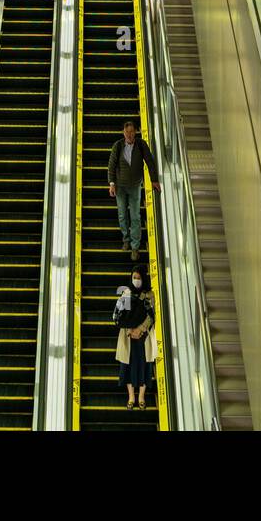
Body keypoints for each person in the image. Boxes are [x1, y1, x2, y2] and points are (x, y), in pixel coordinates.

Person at [108, 119, 160, 259]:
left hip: (135, 186)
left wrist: (154, 179)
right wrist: (112, 183)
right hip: (120, 187)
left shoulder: (141, 145)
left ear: (136, 132)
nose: (129, 134)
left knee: (135, 216)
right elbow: (112, 165)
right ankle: (126, 240)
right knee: (122, 215)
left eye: (131, 132)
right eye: (127, 132)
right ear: (123, 133)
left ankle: (135, 247)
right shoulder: (118, 146)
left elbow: (150, 161)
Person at [114, 266, 157, 411]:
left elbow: (152, 316)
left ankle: (141, 397)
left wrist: (140, 329)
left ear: (144, 278)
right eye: (134, 277)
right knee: (128, 366)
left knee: (145, 365)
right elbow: (121, 315)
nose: (136, 280)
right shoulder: (126, 294)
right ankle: (131, 396)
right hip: (128, 336)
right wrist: (130, 331)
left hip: (144, 336)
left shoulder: (149, 295)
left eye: (139, 278)